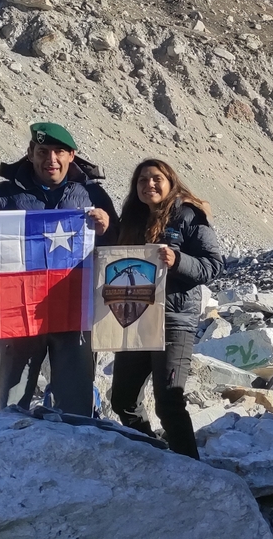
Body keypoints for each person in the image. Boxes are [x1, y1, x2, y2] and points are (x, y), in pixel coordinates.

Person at [0, 122, 116, 416]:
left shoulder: (93, 196)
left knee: (76, 405)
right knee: (12, 404)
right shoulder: (4, 195)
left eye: (59, 152)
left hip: (74, 315)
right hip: (19, 314)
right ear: (30, 153)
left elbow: (120, 244)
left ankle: (74, 456)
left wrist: (107, 226)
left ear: (72, 155)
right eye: (42, 151)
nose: (50, 159)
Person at [105, 159, 223, 458]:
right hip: (135, 317)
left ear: (170, 181)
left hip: (173, 320)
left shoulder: (188, 215)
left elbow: (213, 264)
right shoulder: (131, 219)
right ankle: (154, 452)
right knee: (122, 399)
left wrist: (177, 260)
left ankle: (190, 468)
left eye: (156, 178)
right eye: (142, 180)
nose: (149, 185)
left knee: (169, 402)